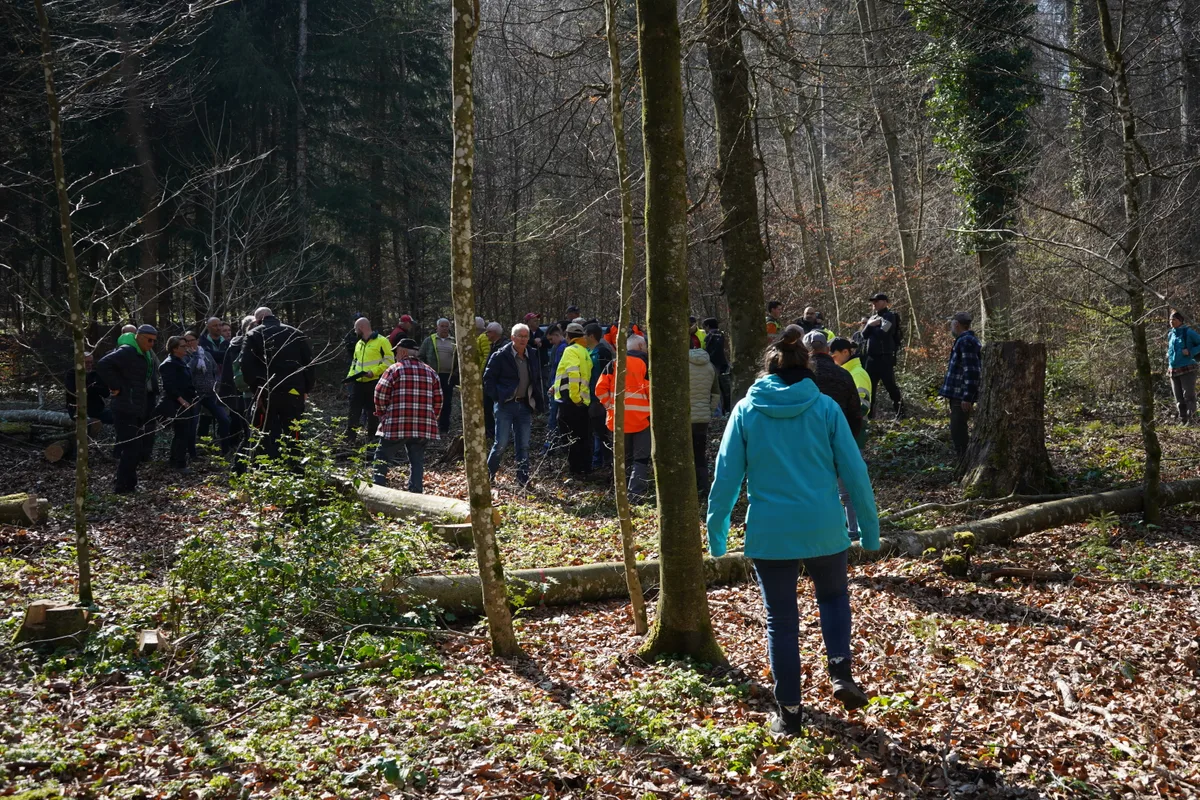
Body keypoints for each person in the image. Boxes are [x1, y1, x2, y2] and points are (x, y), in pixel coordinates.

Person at [706, 325, 880, 733]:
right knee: (834, 597)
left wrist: (717, 537)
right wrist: (869, 532)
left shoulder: (747, 410)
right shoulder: (824, 409)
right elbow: (855, 474)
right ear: (809, 368)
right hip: (822, 525)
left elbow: (726, 476)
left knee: (781, 621)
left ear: (768, 369)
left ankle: (789, 714)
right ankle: (840, 672)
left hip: (771, 532)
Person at [806, 331, 864, 539]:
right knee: (846, 491)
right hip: (840, 438)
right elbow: (856, 412)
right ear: (827, 349)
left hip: (809, 441)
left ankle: (820, 530)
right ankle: (852, 531)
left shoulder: (803, 376)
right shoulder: (843, 374)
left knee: (815, 488)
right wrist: (849, 438)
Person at [241, 307, 316, 459]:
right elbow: (310, 364)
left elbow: (245, 365)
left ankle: (265, 467)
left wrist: (256, 388)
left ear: (257, 320)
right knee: (294, 430)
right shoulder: (296, 333)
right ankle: (295, 466)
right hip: (294, 391)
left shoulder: (254, 334)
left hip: (267, 391)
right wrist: (306, 389)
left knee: (264, 431)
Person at [372, 338, 443, 492]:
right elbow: (438, 401)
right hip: (422, 426)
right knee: (417, 461)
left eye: (396, 352)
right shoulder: (431, 372)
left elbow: (379, 394)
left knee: (381, 457)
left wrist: (383, 414)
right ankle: (416, 492)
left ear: (403, 351)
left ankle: (377, 491)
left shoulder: (394, 369)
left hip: (397, 424)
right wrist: (431, 419)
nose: (396, 356)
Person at [95, 325, 158, 493]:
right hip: (124, 408)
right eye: (149, 340)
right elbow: (102, 364)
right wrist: (116, 386)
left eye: (154, 341)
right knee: (132, 448)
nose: (151, 344)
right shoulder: (127, 350)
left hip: (136, 407)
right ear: (138, 337)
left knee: (134, 448)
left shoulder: (142, 353)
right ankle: (123, 487)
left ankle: (129, 484)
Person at [484, 324, 543, 488]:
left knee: (523, 445)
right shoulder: (500, 355)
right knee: (501, 444)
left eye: (526, 336)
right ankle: (487, 478)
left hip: (524, 406)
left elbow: (536, 378)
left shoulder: (532, 354)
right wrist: (498, 396)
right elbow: (488, 379)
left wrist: (537, 400)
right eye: (520, 336)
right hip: (505, 406)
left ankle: (522, 481)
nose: (524, 339)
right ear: (512, 338)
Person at [595, 335, 652, 500]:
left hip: (618, 420)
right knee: (640, 459)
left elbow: (600, 389)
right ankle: (635, 494)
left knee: (622, 458)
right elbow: (652, 392)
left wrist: (609, 407)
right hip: (642, 419)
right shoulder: (646, 365)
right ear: (641, 346)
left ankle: (620, 493)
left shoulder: (614, 364)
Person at [938, 312, 983, 459]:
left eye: (951, 324)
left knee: (958, 429)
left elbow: (972, 371)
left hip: (961, 395)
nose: (951, 327)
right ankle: (964, 459)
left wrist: (967, 397)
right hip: (958, 394)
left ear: (956, 325)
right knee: (957, 429)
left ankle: (964, 460)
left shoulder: (966, 342)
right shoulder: (965, 340)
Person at [343, 316, 395, 443]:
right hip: (357, 383)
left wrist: (374, 372)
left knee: (373, 411)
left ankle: (372, 438)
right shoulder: (358, 344)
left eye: (356, 329)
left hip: (374, 382)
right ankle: (350, 439)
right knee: (353, 410)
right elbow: (354, 363)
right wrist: (350, 377)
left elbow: (390, 361)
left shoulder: (382, 341)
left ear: (361, 328)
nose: (355, 332)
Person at [553, 322, 594, 477]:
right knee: (583, 437)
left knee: (570, 438)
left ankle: (576, 471)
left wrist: (574, 397)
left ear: (568, 336)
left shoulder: (570, 350)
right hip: (583, 402)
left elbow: (573, 373)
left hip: (571, 402)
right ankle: (586, 469)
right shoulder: (585, 351)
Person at [184, 330, 230, 456]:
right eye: (186, 341)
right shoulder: (185, 355)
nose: (189, 343)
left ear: (197, 340)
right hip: (194, 395)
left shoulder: (207, 354)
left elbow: (215, 370)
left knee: (224, 420)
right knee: (192, 425)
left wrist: (216, 383)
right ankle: (192, 454)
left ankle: (225, 450)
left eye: (191, 340)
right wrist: (195, 357)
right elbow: (188, 371)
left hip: (210, 394)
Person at [219, 315, 257, 463]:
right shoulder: (241, 345)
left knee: (241, 423)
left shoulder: (235, 344)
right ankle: (239, 459)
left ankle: (239, 455)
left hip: (236, 390)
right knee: (243, 425)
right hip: (240, 391)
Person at [859, 293, 904, 418]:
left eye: (877, 301)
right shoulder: (873, 318)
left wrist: (871, 326)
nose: (874, 304)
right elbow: (863, 335)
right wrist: (870, 324)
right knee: (870, 387)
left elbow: (883, 333)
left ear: (884, 302)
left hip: (885, 357)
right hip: (871, 358)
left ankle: (900, 412)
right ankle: (869, 414)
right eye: (873, 302)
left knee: (890, 385)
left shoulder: (890, 316)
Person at [159, 336, 198, 472]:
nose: (186, 348)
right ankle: (180, 464)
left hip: (187, 402)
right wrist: (182, 401)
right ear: (175, 348)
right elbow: (169, 387)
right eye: (183, 346)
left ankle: (174, 460)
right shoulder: (168, 364)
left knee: (183, 433)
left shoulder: (181, 361)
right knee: (182, 433)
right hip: (177, 404)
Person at [688, 344, 721, 494]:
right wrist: (709, 411)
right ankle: (703, 487)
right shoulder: (711, 367)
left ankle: (687, 486)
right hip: (702, 419)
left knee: (685, 453)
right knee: (700, 453)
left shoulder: (682, 365)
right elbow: (716, 394)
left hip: (685, 418)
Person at [419, 318, 459, 435]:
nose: (444, 328)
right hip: (432, 376)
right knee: (431, 401)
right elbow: (421, 356)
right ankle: (430, 426)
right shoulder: (429, 341)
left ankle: (444, 428)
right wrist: (426, 371)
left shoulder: (454, 341)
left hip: (449, 377)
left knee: (446, 402)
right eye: (442, 326)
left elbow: (459, 359)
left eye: (446, 326)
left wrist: (456, 372)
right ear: (437, 327)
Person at [586, 323, 614, 470]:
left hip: (600, 399)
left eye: (585, 335)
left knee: (602, 433)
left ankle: (605, 463)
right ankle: (599, 462)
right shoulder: (591, 352)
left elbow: (605, 376)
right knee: (596, 432)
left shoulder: (602, 352)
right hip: (592, 397)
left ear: (591, 336)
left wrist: (603, 398)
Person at [1168, 309, 1200, 425]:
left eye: (1174, 319)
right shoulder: (1171, 334)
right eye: (1170, 319)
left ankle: (1192, 420)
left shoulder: (1189, 333)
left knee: (1189, 396)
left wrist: (1191, 351)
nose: (1171, 321)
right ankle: (1183, 420)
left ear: (1180, 320)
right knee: (1178, 397)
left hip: (1188, 368)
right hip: (1173, 369)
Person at [65, 352, 110, 424]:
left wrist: (93, 387)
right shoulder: (72, 374)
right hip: (78, 410)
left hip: (97, 410)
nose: (89, 365)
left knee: (119, 416)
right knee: (91, 424)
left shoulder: (95, 374)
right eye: (87, 363)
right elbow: (73, 392)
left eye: (91, 362)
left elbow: (106, 393)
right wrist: (93, 387)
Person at [542, 325, 566, 453]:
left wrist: (554, 385)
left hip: (557, 388)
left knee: (553, 418)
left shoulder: (562, 348)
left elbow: (559, 370)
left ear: (557, 335)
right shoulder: (557, 347)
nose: (551, 343)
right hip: (554, 386)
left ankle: (549, 446)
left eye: (552, 339)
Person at [479, 322, 505, 439]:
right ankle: (490, 432)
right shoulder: (494, 345)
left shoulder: (504, 346)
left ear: (494, 333)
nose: (486, 334)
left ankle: (496, 433)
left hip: (497, 384)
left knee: (495, 410)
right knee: (487, 408)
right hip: (490, 383)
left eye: (488, 332)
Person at [702, 318, 731, 415]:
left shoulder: (711, 336)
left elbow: (711, 352)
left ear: (708, 326)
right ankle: (726, 410)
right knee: (724, 390)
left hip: (714, 366)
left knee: (715, 389)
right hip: (723, 366)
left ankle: (718, 412)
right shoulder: (722, 335)